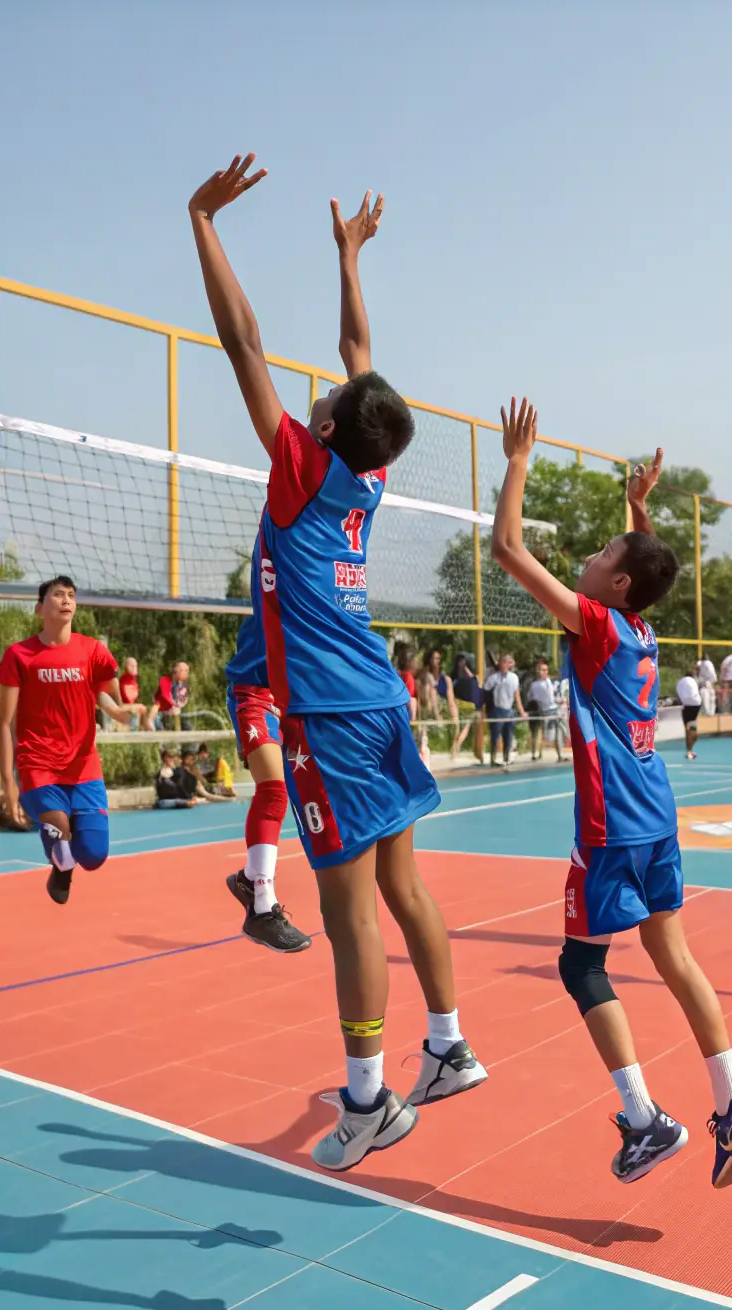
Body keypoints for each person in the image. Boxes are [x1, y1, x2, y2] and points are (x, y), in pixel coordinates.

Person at [189, 152, 486, 1170]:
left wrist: (204, 224)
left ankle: (368, 1100)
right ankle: (447, 1046)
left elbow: (242, 340)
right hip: (381, 701)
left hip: (330, 715)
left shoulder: (302, 469)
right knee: (404, 888)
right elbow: (360, 359)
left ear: (320, 429)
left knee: (348, 908)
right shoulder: (363, 476)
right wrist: (348, 261)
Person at [493, 399, 732, 1189]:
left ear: (613, 582)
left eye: (602, 551)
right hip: (655, 813)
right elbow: (637, 569)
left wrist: (518, 457)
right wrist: (639, 512)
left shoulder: (599, 625)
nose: (587, 555)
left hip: (612, 820)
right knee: (669, 950)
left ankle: (647, 1120)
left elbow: (507, 546)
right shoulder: (642, 629)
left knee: (581, 966)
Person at [0, 576, 133, 904]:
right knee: (57, 820)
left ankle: (63, 865)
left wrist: (121, 712)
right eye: (58, 594)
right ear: (39, 608)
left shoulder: (92, 650)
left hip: (83, 765)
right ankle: (59, 840)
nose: (66, 600)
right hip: (38, 764)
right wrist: (7, 782)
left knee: (94, 856)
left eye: (71, 595)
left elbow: (107, 695)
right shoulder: (19, 655)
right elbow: (5, 722)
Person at [223, 597, 311, 952]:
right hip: (254, 692)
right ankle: (261, 906)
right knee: (274, 791)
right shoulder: (285, 564)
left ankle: (247, 880)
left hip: (291, 698)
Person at [418, 647, 464, 758]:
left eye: (438, 658)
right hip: (429, 704)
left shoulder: (445, 678)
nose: (436, 661)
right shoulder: (425, 676)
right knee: (432, 691)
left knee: (460, 713)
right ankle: (437, 717)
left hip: (443, 705)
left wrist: (454, 713)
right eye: (433, 658)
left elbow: (450, 698)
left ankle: (455, 744)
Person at [484, 653, 526, 766]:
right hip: (497, 710)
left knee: (508, 735)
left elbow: (517, 696)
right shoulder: (494, 678)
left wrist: (521, 711)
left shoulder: (514, 678)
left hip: (509, 710)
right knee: (495, 735)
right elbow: (486, 692)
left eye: (506, 662)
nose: (504, 664)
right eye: (502, 662)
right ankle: (493, 758)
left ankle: (506, 758)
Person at [525, 657, 562, 761]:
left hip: (553, 710)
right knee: (536, 732)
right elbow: (531, 698)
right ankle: (534, 753)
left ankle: (559, 754)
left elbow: (554, 696)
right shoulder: (534, 685)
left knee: (557, 733)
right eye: (542, 670)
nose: (544, 672)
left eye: (545, 670)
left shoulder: (550, 682)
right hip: (542, 711)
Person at [151, 661, 191, 730]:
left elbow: (185, 699)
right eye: (185, 671)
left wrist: (179, 705)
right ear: (177, 671)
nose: (187, 673)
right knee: (156, 720)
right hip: (161, 713)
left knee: (188, 726)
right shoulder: (165, 680)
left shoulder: (185, 685)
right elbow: (165, 696)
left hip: (176, 714)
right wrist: (173, 706)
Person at [116, 657, 152, 730]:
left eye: (136, 666)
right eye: (132, 666)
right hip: (120, 706)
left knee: (143, 708)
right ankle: (149, 732)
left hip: (126, 705)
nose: (135, 668)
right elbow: (127, 699)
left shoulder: (133, 680)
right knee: (142, 708)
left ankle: (147, 731)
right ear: (127, 667)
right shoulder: (125, 680)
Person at [674, 669, 701, 760]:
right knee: (692, 726)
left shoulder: (680, 682)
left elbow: (678, 695)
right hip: (695, 704)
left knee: (687, 726)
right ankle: (690, 749)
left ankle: (689, 750)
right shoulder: (693, 680)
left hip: (685, 705)